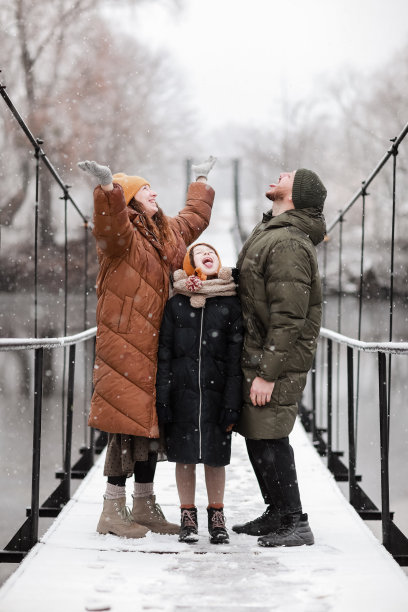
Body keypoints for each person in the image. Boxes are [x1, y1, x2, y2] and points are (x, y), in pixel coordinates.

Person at [77, 156, 216, 538]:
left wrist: (201, 179)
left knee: (152, 428)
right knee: (125, 427)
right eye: (146, 189)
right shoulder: (120, 239)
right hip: (124, 343)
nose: (154, 192)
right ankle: (111, 509)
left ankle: (144, 505)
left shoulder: (167, 231)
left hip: (158, 343)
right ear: (132, 200)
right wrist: (108, 190)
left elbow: (194, 218)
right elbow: (109, 225)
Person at [232, 168, 327, 547]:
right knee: (258, 434)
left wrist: (268, 373)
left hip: (275, 359)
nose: (277, 175)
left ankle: (295, 521)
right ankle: (276, 512)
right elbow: (251, 284)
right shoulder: (272, 231)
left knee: (270, 435)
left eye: (287, 175)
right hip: (260, 352)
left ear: (296, 194)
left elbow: (289, 316)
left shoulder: (288, 242)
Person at [156, 243, 243, 544]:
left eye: (212, 252)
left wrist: (232, 403)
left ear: (218, 262)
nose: (207, 255)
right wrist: (163, 398)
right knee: (184, 458)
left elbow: (236, 362)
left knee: (216, 459)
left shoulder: (230, 305)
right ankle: (187, 515)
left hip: (217, 397)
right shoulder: (176, 305)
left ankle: (217, 516)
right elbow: (164, 354)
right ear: (190, 264)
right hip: (182, 396)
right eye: (198, 253)